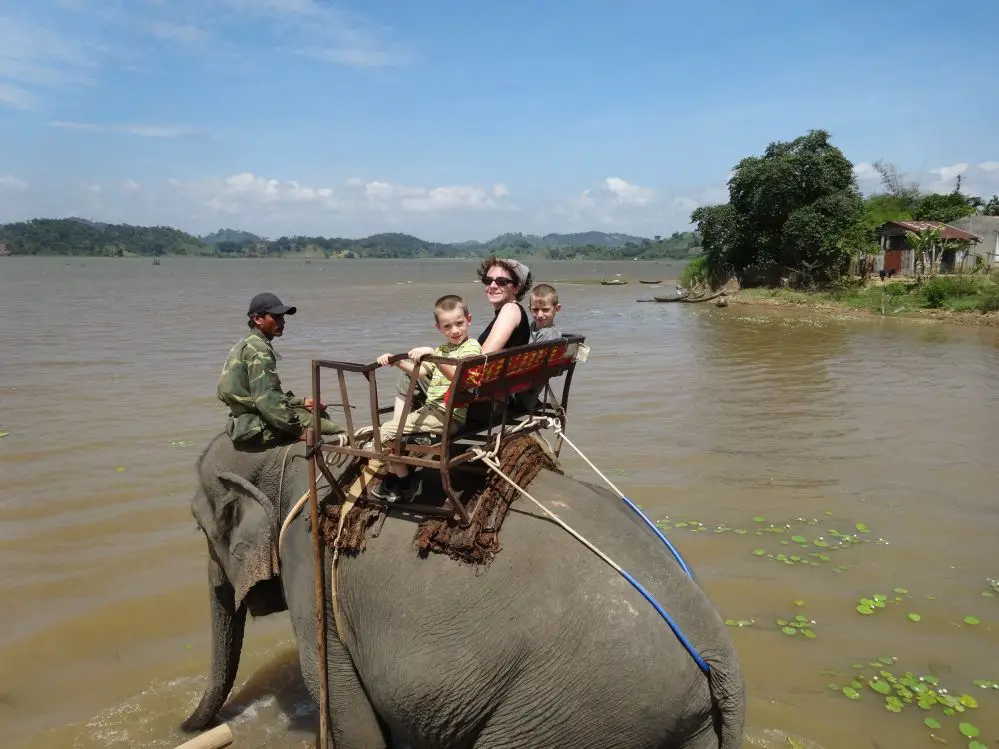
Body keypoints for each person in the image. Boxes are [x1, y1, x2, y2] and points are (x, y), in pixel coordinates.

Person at [372, 295, 482, 501]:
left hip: (449, 416)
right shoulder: (442, 349)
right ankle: (400, 480)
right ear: (438, 328)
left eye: (459, 323)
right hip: (430, 411)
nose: (455, 330)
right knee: (383, 433)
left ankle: (402, 482)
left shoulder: (472, 347)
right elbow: (420, 372)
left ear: (469, 319)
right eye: (447, 326)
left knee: (385, 433)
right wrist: (397, 362)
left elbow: (459, 378)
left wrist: (433, 354)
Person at [390, 256, 533, 412]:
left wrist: (436, 355)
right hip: (495, 392)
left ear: (517, 287)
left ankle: (398, 431)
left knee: (409, 376)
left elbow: (482, 359)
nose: (492, 285)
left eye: (501, 281)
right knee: (423, 374)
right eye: (488, 280)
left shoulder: (510, 310)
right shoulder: (509, 312)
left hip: (485, 401)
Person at [217, 292, 342, 447]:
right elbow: (268, 401)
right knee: (334, 430)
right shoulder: (259, 350)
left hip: (243, 419)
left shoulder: (245, 344)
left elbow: (263, 394)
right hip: (255, 424)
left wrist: (302, 402)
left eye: (282, 317)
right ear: (257, 319)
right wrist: (300, 431)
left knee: (312, 411)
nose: (282, 322)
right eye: (276, 317)